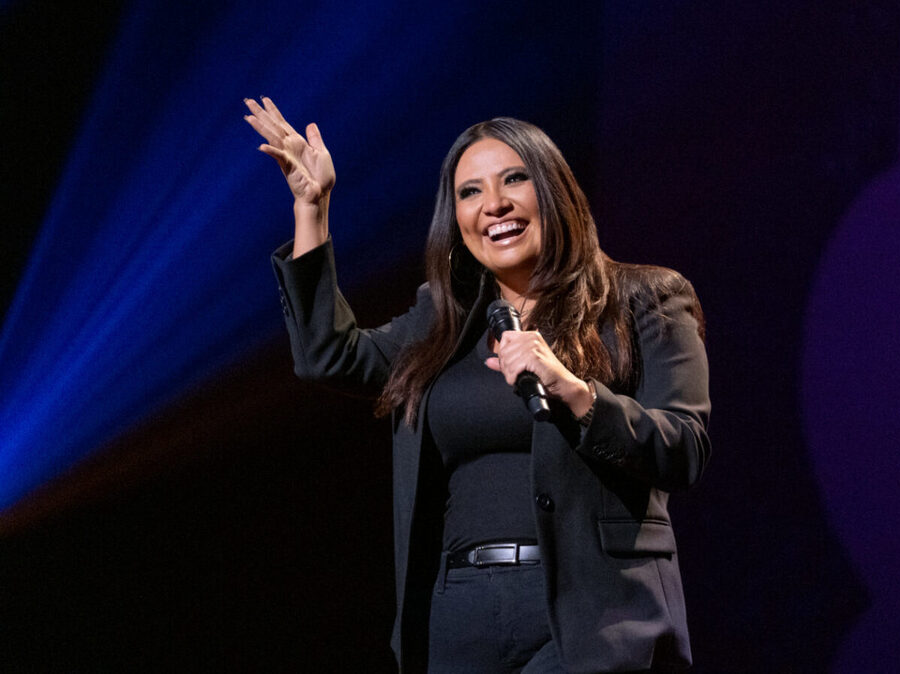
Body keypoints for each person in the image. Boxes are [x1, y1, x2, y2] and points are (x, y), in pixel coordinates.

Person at [244, 97, 711, 673]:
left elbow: (683, 447)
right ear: (455, 218)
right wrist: (311, 210)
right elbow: (328, 356)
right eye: (470, 191)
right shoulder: (442, 321)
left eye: (514, 179)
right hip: (458, 614)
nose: (494, 204)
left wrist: (576, 392)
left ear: (555, 191)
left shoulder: (645, 299)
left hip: (594, 613)